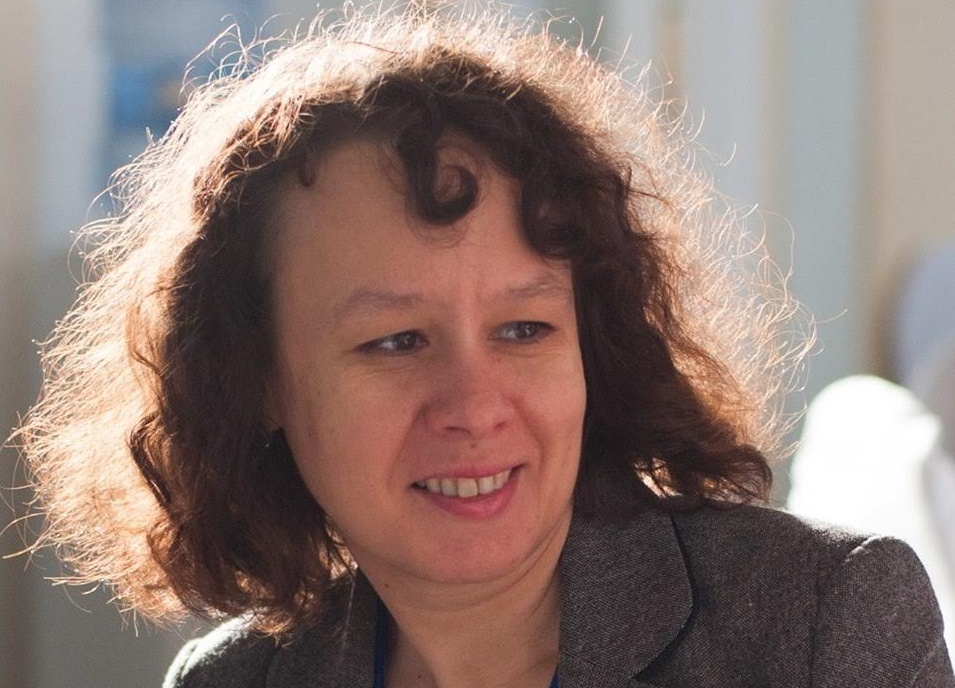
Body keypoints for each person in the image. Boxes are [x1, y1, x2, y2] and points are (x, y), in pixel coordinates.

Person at [12, 2, 953, 686]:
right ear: (255, 381)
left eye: (523, 328)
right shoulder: (231, 680)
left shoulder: (819, 622)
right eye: (395, 341)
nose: (473, 404)